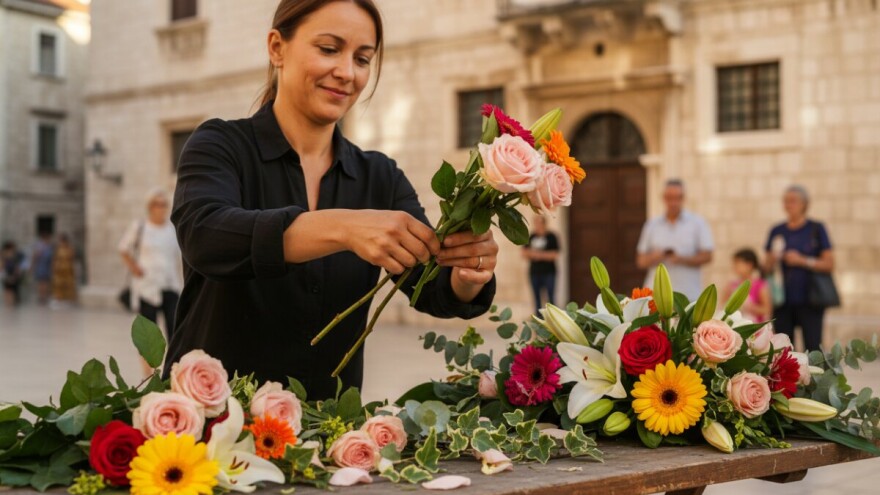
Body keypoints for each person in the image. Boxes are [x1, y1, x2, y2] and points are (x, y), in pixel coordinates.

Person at [163, 0, 498, 400]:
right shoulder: (219, 145)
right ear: (277, 48)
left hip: (329, 427)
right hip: (210, 420)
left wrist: (467, 273)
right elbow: (205, 237)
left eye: (362, 59)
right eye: (328, 49)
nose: (347, 72)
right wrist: (344, 228)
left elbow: (429, 287)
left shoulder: (380, 177)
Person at [763, 185, 834, 351]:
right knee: (783, 350)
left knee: (813, 349)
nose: (788, 205)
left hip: (810, 301)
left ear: (804, 204)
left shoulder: (816, 228)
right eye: (786, 201)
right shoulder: (777, 230)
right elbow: (765, 268)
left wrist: (802, 260)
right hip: (781, 301)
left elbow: (829, 264)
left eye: (793, 201)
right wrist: (773, 258)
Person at [119, 188, 182, 348]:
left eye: (164, 204)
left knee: (174, 330)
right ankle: (148, 364)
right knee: (148, 335)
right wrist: (135, 268)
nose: (160, 208)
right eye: (156, 204)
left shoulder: (172, 229)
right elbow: (123, 248)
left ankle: (172, 363)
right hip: (147, 286)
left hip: (170, 284)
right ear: (150, 206)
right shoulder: (140, 226)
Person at [636, 179, 714, 300]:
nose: (673, 202)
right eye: (670, 198)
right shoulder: (652, 225)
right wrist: (656, 256)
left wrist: (682, 259)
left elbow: (708, 256)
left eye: (677, 198)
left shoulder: (698, 223)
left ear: (683, 198)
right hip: (656, 295)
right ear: (664, 198)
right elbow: (641, 261)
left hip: (688, 294)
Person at [722, 248, 771, 323]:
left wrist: (750, 307)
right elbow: (723, 306)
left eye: (737, 263)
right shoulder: (731, 286)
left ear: (749, 265)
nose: (734, 266)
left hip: (754, 325)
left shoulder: (760, 285)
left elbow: (767, 310)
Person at [523, 216, 559, 313]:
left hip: (549, 272)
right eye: (536, 223)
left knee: (551, 297)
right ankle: (538, 316)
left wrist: (537, 255)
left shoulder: (551, 237)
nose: (538, 225)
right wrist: (544, 255)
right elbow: (524, 253)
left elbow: (554, 254)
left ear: (544, 224)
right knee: (536, 298)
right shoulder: (531, 237)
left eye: (540, 223)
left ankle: (553, 315)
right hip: (534, 272)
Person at [51, 234, 78, 306]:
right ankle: (60, 299)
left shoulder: (69, 248)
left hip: (67, 269)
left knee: (68, 285)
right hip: (60, 270)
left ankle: (68, 299)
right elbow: (55, 259)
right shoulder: (59, 248)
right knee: (59, 285)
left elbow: (72, 258)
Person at [31, 231, 54, 305]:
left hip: (46, 267)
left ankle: (44, 297)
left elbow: (51, 259)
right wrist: (33, 266)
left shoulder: (49, 247)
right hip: (41, 266)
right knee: (42, 283)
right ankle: (42, 297)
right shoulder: (40, 246)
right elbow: (35, 256)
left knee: (45, 283)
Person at [1, 241, 25, 307]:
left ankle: (11, 304)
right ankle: (8, 304)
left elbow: (17, 268)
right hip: (6, 276)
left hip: (14, 276)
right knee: (7, 290)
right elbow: (2, 268)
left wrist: (14, 276)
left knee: (13, 290)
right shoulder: (3, 258)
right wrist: (6, 276)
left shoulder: (15, 258)